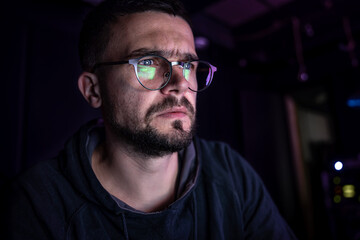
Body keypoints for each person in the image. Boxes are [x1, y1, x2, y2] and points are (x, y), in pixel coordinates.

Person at [4, 0, 297, 239]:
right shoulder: (37, 205)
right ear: (94, 90)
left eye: (187, 64)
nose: (181, 83)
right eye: (148, 64)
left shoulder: (229, 173)